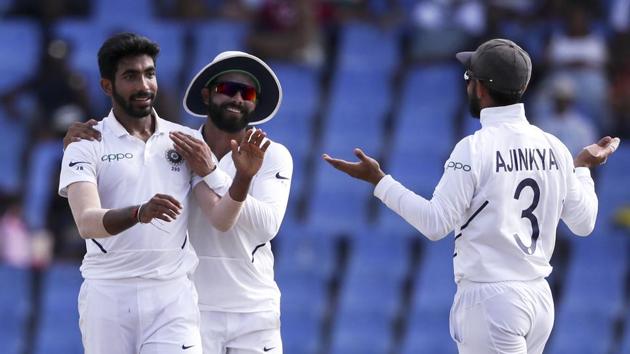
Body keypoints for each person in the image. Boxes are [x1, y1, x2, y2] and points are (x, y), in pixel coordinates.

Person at [323, 38, 620, 354]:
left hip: (491, 300)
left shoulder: (474, 148)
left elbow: (435, 223)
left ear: (480, 88)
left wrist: (380, 182)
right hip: (539, 300)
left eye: (469, 78)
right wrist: (582, 168)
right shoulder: (555, 147)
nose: (467, 85)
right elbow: (584, 223)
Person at [64, 50, 293, 354]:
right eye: (227, 89)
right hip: (194, 307)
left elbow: (266, 227)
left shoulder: (271, 154)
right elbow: (129, 164)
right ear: (207, 95)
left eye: (247, 92)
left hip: (254, 307)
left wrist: (216, 173)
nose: (237, 98)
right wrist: (77, 145)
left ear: (255, 101)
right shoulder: (180, 145)